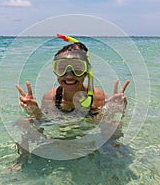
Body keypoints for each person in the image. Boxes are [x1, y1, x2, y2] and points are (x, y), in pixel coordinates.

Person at [11, 35, 129, 170]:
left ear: (86, 72)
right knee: (25, 124)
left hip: (87, 139)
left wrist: (115, 112)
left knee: (114, 137)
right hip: (61, 138)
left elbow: (109, 133)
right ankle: (23, 159)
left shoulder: (97, 97)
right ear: (55, 71)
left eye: (77, 68)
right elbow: (42, 128)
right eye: (61, 68)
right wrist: (35, 113)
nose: (69, 75)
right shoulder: (51, 97)